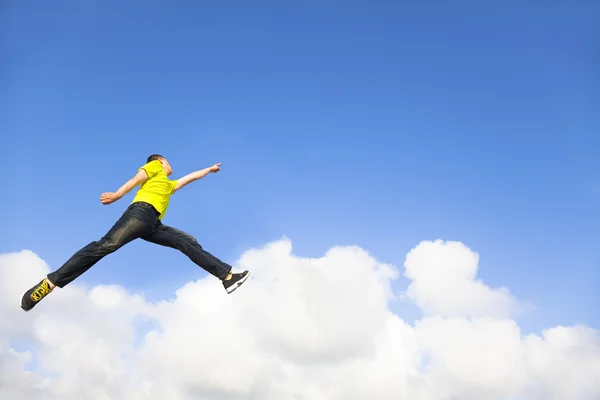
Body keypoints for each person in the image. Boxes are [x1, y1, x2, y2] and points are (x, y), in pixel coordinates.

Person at [20, 154, 250, 311]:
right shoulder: (155, 167)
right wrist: (118, 195)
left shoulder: (168, 185)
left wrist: (208, 170)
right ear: (160, 161)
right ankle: (49, 283)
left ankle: (228, 276)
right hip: (140, 214)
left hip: (153, 224)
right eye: (168, 162)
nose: (170, 167)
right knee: (104, 246)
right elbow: (136, 178)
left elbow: (189, 178)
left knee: (188, 242)